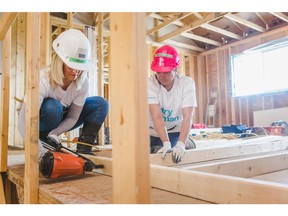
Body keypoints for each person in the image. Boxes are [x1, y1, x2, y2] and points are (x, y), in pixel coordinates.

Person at [18, 28, 109, 155]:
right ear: (60, 61)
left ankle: (84, 149)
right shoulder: (43, 80)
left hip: (61, 121)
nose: (76, 72)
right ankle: (44, 138)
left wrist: (55, 133)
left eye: (79, 67)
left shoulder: (83, 84)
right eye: (71, 66)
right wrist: (39, 151)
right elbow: (23, 120)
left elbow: (72, 117)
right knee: (52, 107)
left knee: (101, 104)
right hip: (42, 121)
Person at [148, 45, 197, 163]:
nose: (161, 76)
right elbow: (157, 116)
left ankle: (185, 141)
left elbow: (187, 117)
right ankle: (168, 142)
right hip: (152, 129)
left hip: (175, 129)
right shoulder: (150, 83)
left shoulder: (186, 83)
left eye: (166, 72)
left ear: (176, 69)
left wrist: (180, 144)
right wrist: (166, 142)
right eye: (158, 72)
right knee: (144, 151)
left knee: (168, 155)